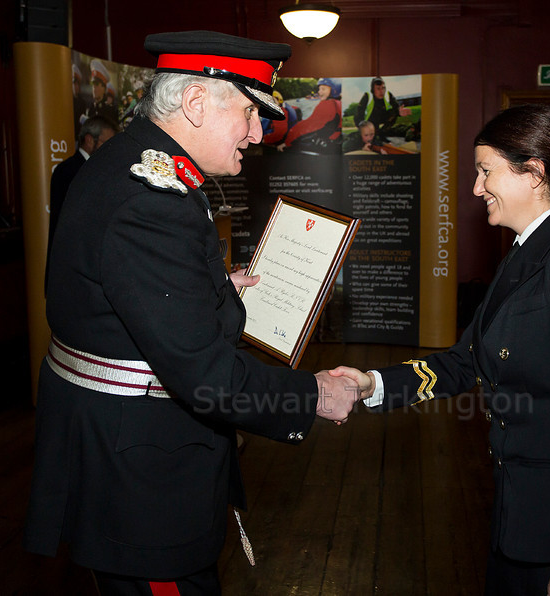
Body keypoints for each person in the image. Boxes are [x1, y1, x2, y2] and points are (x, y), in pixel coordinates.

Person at [24, 31, 359, 595]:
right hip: (143, 476)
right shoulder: (149, 198)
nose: (258, 134)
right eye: (251, 113)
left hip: (117, 447)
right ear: (196, 103)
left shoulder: (132, 162)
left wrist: (204, 286)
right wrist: (317, 395)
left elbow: (114, 291)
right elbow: (206, 374)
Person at [332, 104, 550, 596]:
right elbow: (467, 360)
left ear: (533, 173)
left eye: (486, 171)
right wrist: (371, 384)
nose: (475, 187)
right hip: (525, 510)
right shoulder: (525, 253)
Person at [47, 115, 119, 262]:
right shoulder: (69, 170)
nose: (110, 150)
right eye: (107, 143)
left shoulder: (92, 168)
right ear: (89, 140)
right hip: (74, 257)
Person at [277, 77, 341, 153]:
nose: (319, 92)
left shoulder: (327, 104)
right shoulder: (338, 103)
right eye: (319, 89)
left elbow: (308, 125)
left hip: (326, 145)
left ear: (334, 90)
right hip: (335, 142)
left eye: (323, 89)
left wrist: (287, 141)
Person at [353, 76, 411, 143]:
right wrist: (362, 130)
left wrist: (400, 111)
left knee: (394, 112)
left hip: (382, 117)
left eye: (383, 88)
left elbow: (396, 107)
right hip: (369, 121)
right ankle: (373, 135)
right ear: (373, 90)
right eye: (378, 89)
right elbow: (358, 114)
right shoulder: (367, 96)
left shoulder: (388, 95)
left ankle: (382, 134)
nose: (381, 91)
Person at [81, 58, 120, 126]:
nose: (94, 88)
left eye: (96, 84)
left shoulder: (110, 111)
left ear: (104, 88)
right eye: (93, 84)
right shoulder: (91, 109)